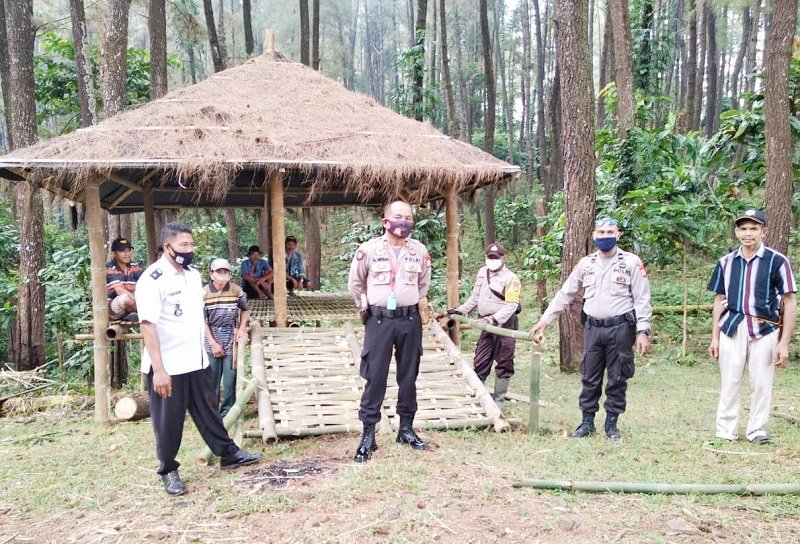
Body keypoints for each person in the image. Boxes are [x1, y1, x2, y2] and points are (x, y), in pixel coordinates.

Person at [136, 222, 261, 496]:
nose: (189, 250)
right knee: (168, 420)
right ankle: (168, 469)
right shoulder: (152, 279)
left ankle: (228, 454)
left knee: (208, 410)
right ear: (167, 246)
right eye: (184, 245)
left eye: (191, 245)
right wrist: (159, 370)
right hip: (168, 365)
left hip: (196, 359)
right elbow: (148, 326)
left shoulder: (192, 275)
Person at [529, 217, 652, 440]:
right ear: (594, 235)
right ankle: (587, 423)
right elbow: (565, 293)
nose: (605, 236)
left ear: (618, 235)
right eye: (601, 232)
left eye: (610, 232)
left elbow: (642, 298)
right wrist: (545, 320)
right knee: (589, 376)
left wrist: (643, 331)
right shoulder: (586, 264)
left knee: (617, 377)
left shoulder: (631, 262)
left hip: (621, 328)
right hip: (593, 329)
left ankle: (612, 425)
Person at [347, 200, 432, 462]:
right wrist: (367, 306)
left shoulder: (419, 251)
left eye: (408, 218)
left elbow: (423, 284)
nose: (403, 222)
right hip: (379, 321)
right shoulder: (368, 250)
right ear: (386, 222)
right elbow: (356, 283)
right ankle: (368, 434)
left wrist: (407, 300)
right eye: (398, 217)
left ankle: (406, 429)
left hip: (409, 320)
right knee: (375, 376)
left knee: (409, 376)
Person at [707, 209, 796, 445]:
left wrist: (783, 342)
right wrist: (714, 337)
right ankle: (726, 430)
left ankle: (756, 429)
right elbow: (718, 299)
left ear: (764, 232)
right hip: (732, 327)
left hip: (764, 328)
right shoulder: (726, 262)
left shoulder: (777, 261)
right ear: (737, 232)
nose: (748, 233)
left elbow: (789, 301)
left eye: (754, 228)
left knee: (761, 381)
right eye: (743, 228)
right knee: (730, 380)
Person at [448, 241, 521, 410]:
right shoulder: (482, 273)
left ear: (503, 258)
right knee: (481, 358)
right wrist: (460, 310)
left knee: (505, 359)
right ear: (486, 257)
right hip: (484, 322)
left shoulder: (511, 278)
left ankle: (499, 400)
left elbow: (511, 305)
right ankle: (478, 395)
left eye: (496, 258)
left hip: (504, 323)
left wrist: (494, 319)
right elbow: (475, 297)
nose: (492, 260)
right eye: (490, 257)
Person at [203, 258, 250, 418]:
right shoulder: (203, 293)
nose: (222, 275)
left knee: (230, 379)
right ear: (212, 274)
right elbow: (201, 320)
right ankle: (211, 414)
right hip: (212, 335)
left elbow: (245, 310)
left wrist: (242, 328)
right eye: (219, 272)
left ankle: (228, 413)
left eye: (225, 272)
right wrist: (212, 342)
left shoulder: (237, 291)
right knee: (211, 379)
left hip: (231, 334)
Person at [106, 237, 142, 321]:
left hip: (133, 303)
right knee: (126, 298)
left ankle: (132, 314)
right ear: (114, 254)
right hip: (113, 308)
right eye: (122, 251)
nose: (127, 254)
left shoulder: (134, 266)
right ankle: (136, 312)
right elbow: (120, 291)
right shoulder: (109, 268)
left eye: (128, 250)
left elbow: (142, 285)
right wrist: (140, 303)